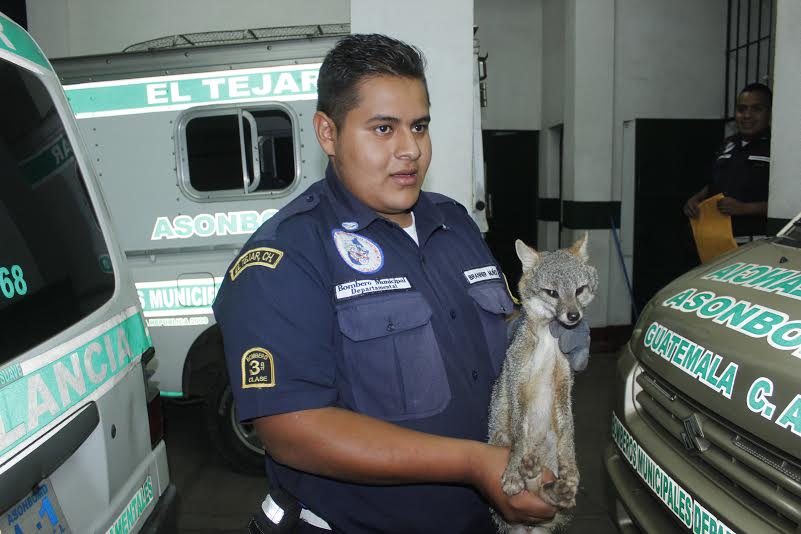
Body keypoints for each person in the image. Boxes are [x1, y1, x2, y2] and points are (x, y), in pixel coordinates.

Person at [213, 34, 585, 533]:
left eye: (419, 126)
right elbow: (293, 430)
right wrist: (474, 463)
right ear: (328, 132)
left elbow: (502, 330)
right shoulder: (285, 257)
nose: (410, 149)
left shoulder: (455, 225)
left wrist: (547, 333)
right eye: (383, 129)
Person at [684, 83, 772, 242]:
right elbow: (714, 183)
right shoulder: (728, 144)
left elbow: (789, 204)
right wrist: (696, 199)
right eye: (742, 109)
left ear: (770, 113)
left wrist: (745, 209)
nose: (747, 115)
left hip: (755, 242)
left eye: (756, 109)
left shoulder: (778, 148)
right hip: (716, 240)